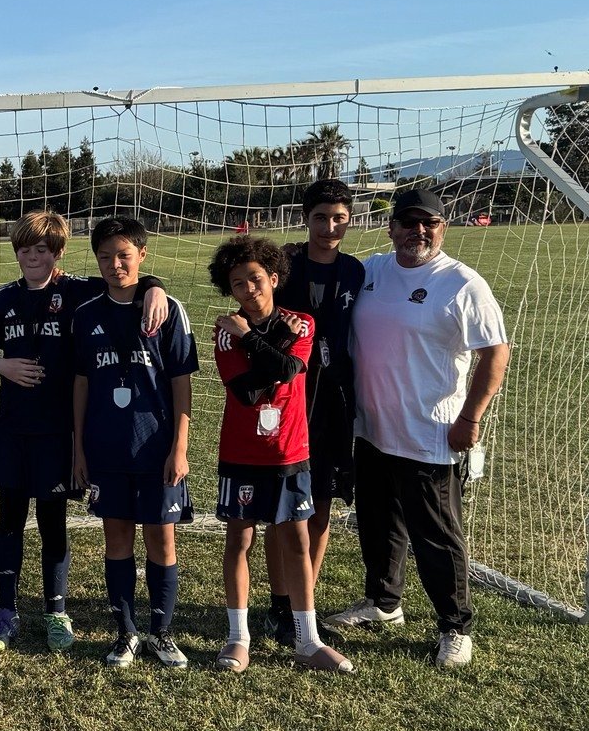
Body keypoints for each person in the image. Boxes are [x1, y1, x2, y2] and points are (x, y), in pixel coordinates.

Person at [328, 187, 510, 668]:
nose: (418, 232)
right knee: (376, 522)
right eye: (409, 222)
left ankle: (456, 626)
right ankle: (383, 603)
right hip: (370, 428)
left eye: (429, 223)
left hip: (429, 433)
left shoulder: (462, 283)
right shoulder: (371, 271)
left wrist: (470, 417)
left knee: (436, 535)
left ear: (443, 228)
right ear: (391, 228)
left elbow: (496, 353)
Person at [0, 211, 167, 652]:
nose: (31, 257)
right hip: (12, 430)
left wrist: (155, 284)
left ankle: (56, 610)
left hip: (57, 432)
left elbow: (126, 277)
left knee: (52, 522)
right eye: (24, 250)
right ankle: (6, 611)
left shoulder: (79, 292)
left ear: (58, 253)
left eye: (41, 250)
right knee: (9, 521)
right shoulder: (1, 299)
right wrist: (0, 364)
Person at [209, 235, 352, 674]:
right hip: (242, 452)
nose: (249, 290)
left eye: (255, 279)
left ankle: (308, 641)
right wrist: (269, 347)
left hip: (291, 451)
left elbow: (292, 371)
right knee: (240, 540)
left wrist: (250, 337)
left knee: (297, 539)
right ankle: (238, 639)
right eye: (238, 284)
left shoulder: (301, 322)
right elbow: (249, 391)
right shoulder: (223, 331)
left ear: (273, 278)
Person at [72, 217, 196, 670]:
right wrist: (78, 448)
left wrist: (179, 447)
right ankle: (126, 633)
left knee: (162, 543)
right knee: (117, 540)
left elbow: (182, 385)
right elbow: (81, 384)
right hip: (106, 449)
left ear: (142, 256)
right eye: (105, 256)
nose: (114, 264)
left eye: (124, 255)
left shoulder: (167, 309)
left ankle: (162, 633)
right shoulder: (86, 315)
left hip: (156, 449)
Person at [262, 179, 366, 644]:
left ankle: (306, 604)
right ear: (306, 218)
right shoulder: (282, 264)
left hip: (334, 403)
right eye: (321, 217)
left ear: (350, 219)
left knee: (319, 504)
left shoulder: (357, 271)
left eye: (339, 218)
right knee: (283, 508)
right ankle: (279, 606)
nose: (329, 226)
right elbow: (240, 280)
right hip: (286, 398)